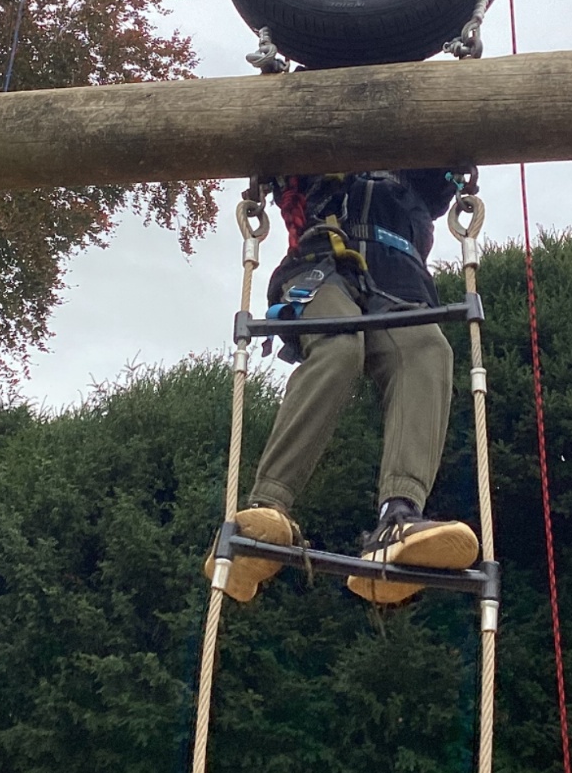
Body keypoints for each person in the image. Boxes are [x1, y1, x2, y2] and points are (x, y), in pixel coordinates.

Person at [205, 169, 480, 606]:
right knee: (339, 344)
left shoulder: (418, 170)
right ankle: (267, 506)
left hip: (399, 281)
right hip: (321, 266)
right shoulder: (316, 154)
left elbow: (447, 162)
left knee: (427, 348)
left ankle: (399, 515)